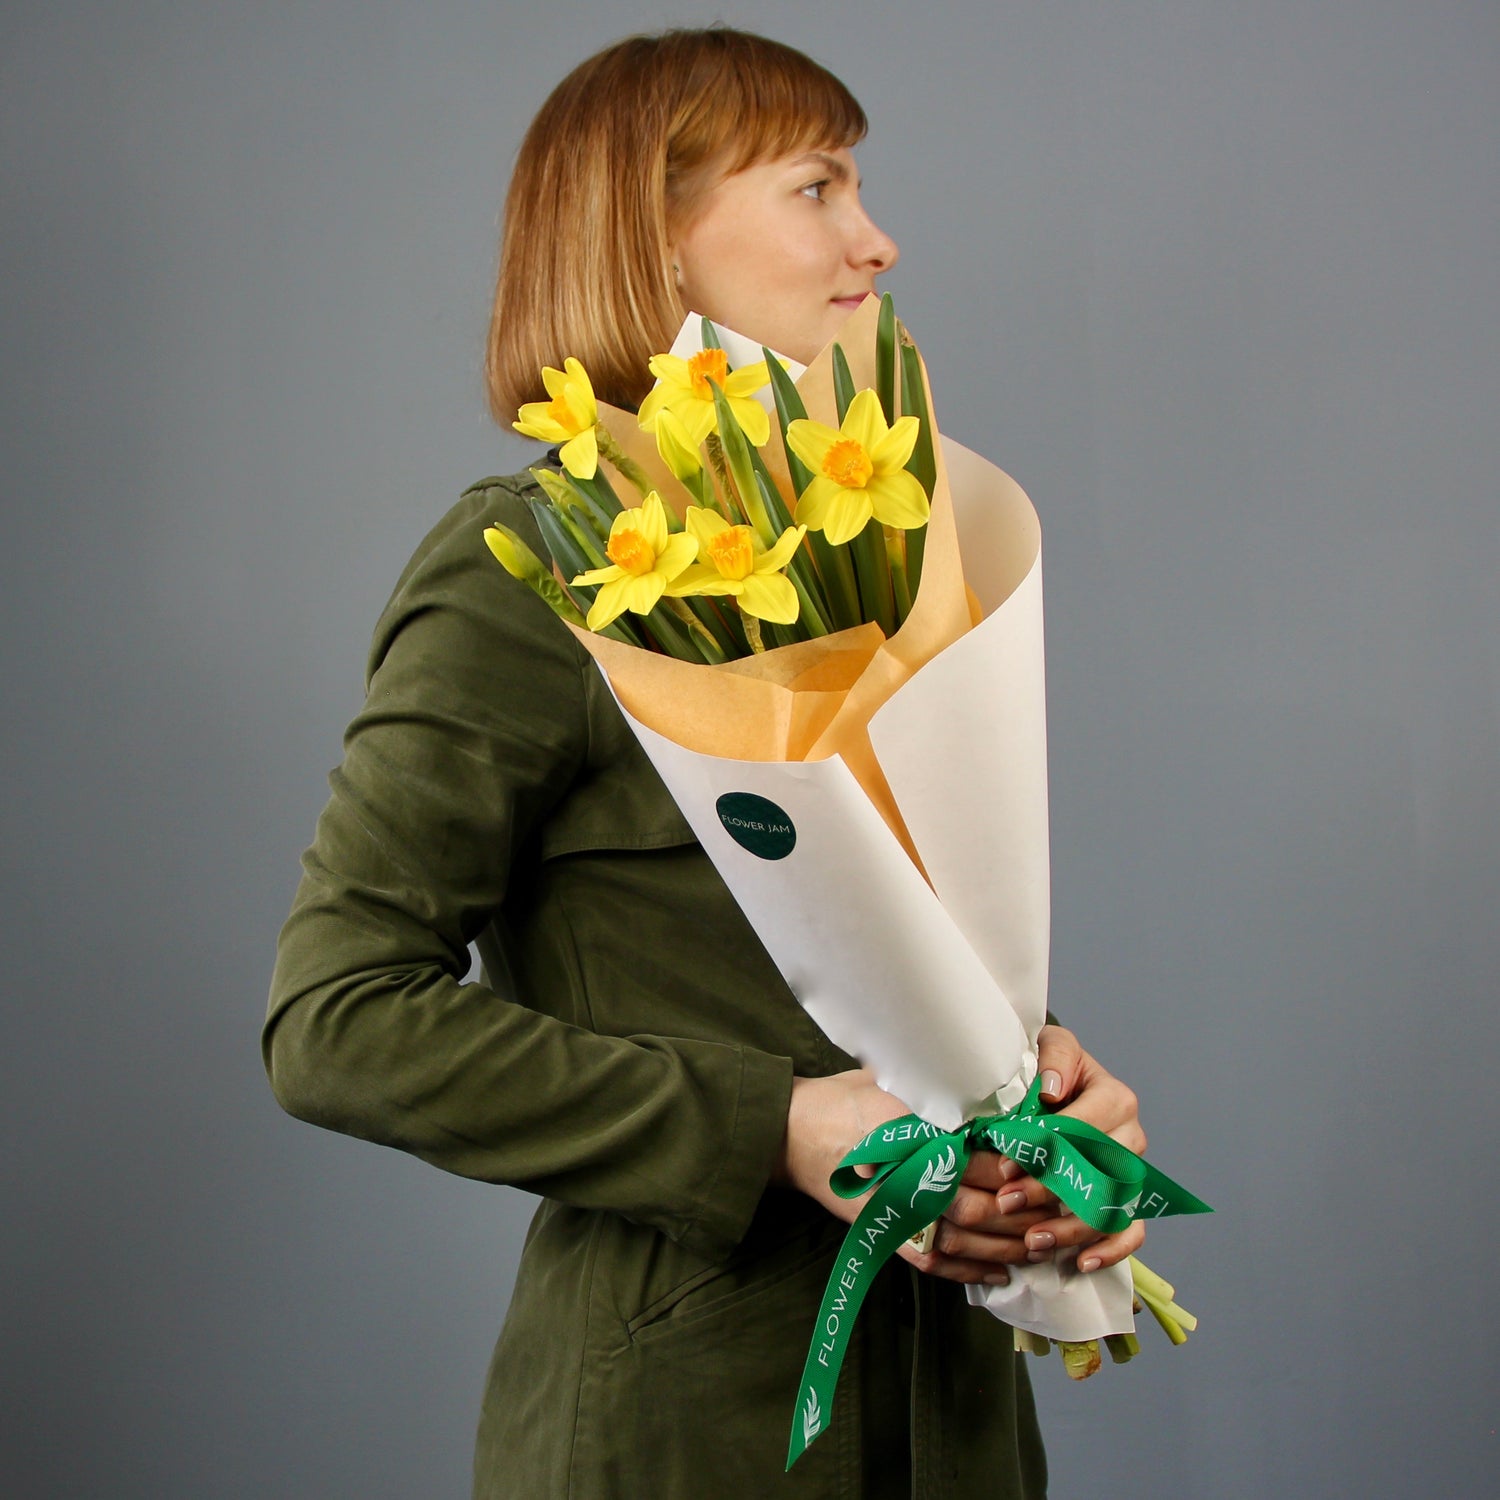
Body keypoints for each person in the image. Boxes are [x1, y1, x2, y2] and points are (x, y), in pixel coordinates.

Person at [264, 27, 1146, 1500]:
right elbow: (333, 1020)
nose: (876, 239)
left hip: (954, 1416)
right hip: (693, 1421)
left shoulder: (863, 547)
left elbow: (860, 953)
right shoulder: (529, 569)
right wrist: (776, 1128)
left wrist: (1036, 1107)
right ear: (655, 237)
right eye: (817, 187)